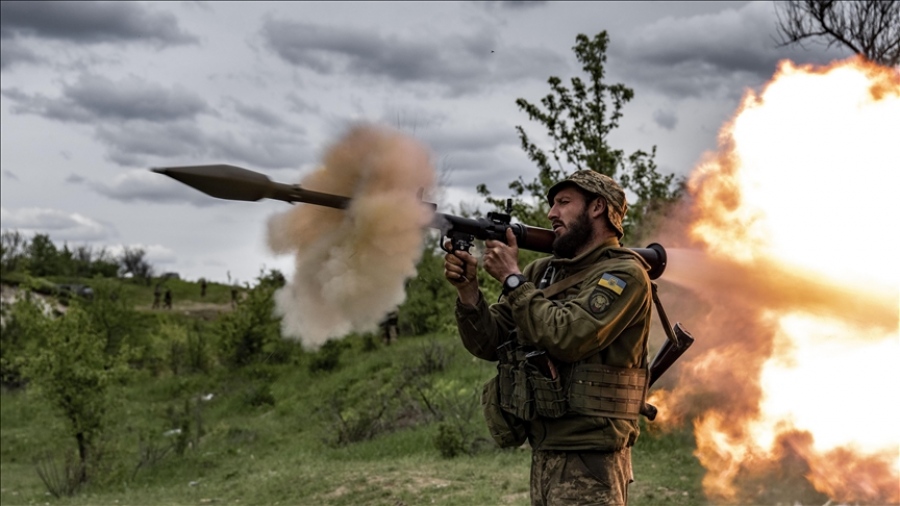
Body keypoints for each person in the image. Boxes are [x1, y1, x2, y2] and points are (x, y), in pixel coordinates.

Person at [443, 170, 653, 506]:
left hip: (592, 456)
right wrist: (469, 292)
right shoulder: (543, 272)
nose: (551, 213)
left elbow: (570, 336)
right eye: (552, 204)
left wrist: (512, 279)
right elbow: (491, 342)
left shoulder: (625, 274)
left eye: (563, 202)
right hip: (545, 449)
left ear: (597, 207)